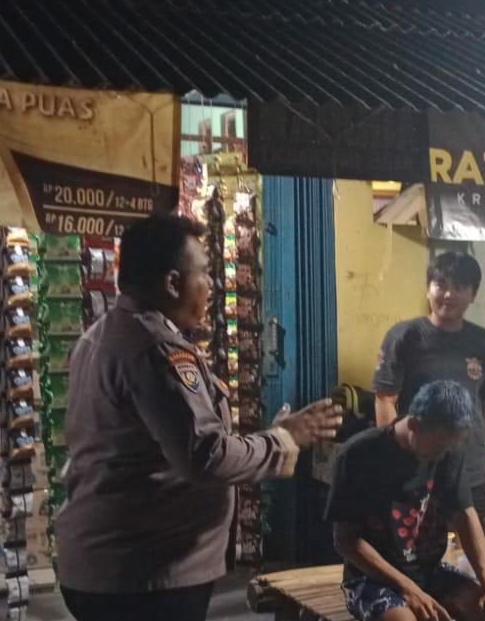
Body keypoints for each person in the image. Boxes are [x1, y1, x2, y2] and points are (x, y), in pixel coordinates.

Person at [54, 214, 343, 621]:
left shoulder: (101, 336)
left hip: (114, 567)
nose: (211, 285)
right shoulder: (155, 350)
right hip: (145, 577)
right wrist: (284, 438)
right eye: (205, 273)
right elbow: (205, 456)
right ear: (173, 283)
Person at [327, 380, 485, 621]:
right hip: (372, 578)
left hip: (429, 571)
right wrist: (409, 589)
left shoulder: (448, 450)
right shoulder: (357, 455)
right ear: (413, 425)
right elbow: (345, 541)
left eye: (449, 447)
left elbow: (465, 516)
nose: (442, 455)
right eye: (438, 447)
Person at [374, 252, 485, 526]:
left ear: (473, 294)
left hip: (473, 471)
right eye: (441, 285)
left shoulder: (483, 342)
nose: (448, 294)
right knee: (417, 546)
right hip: (418, 469)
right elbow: (385, 399)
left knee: (470, 547)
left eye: (458, 287)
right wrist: (396, 460)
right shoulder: (404, 337)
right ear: (428, 289)